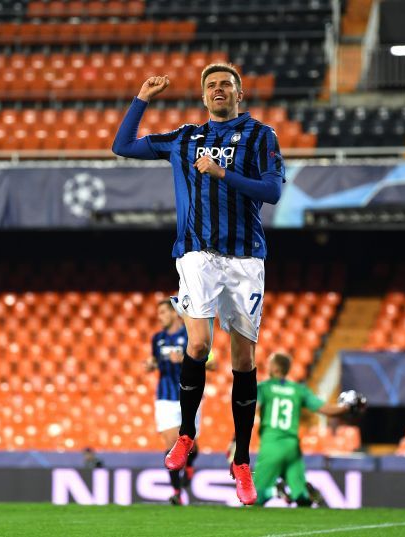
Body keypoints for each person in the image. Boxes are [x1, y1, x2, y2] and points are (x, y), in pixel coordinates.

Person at [113, 63, 285, 505]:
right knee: (197, 345)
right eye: (211, 86)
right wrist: (142, 99)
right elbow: (122, 146)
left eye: (226, 84)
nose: (218, 90)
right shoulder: (185, 137)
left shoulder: (261, 137)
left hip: (245, 257)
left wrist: (221, 173)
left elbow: (272, 192)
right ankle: (187, 435)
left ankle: (241, 459)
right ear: (204, 97)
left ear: (239, 94)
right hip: (196, 253)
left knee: (244, 359)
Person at [253, 352, 364, 507]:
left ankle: (274, 491)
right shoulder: (299, 390)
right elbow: (326, 409)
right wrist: (347, 406)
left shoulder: (264, 388)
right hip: (292, 446)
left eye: (270, 363)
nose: (267, 365)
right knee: (302, 497)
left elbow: (251, 408)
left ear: (275, 368)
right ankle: (294, 493)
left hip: (272, 443)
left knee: (254, 497)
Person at [145, 299, 216, 505]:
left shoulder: (191, 335)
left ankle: (190, 467)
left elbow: (212, 363)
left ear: (174, 313)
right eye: (158, 313)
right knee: (170, 444)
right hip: (165, 397)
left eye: (163, 312)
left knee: (191, 445)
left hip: (189, 396)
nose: (159, 317)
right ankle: (177, 492)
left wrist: (185, 360)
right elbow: (156, 360)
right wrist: (152, 364)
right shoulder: (157, 338)